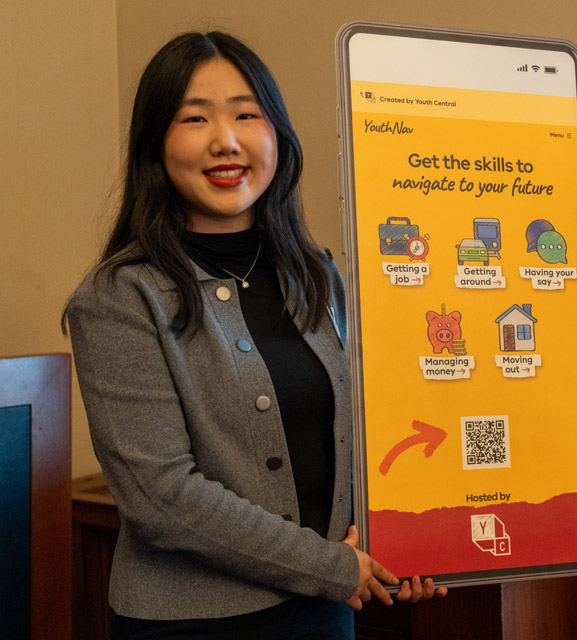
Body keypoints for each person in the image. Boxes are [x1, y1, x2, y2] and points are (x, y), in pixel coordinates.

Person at [64, 31, 444, 639]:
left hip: (324, 610)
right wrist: (329, 567)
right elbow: (160, 498)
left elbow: (361, 435)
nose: (227, 140)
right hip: (191, 623)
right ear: (154, 144)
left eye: (247, 114)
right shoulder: (118, 297)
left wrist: (405, 542)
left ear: (277, 137)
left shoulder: (316, 273)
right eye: (195, 119)